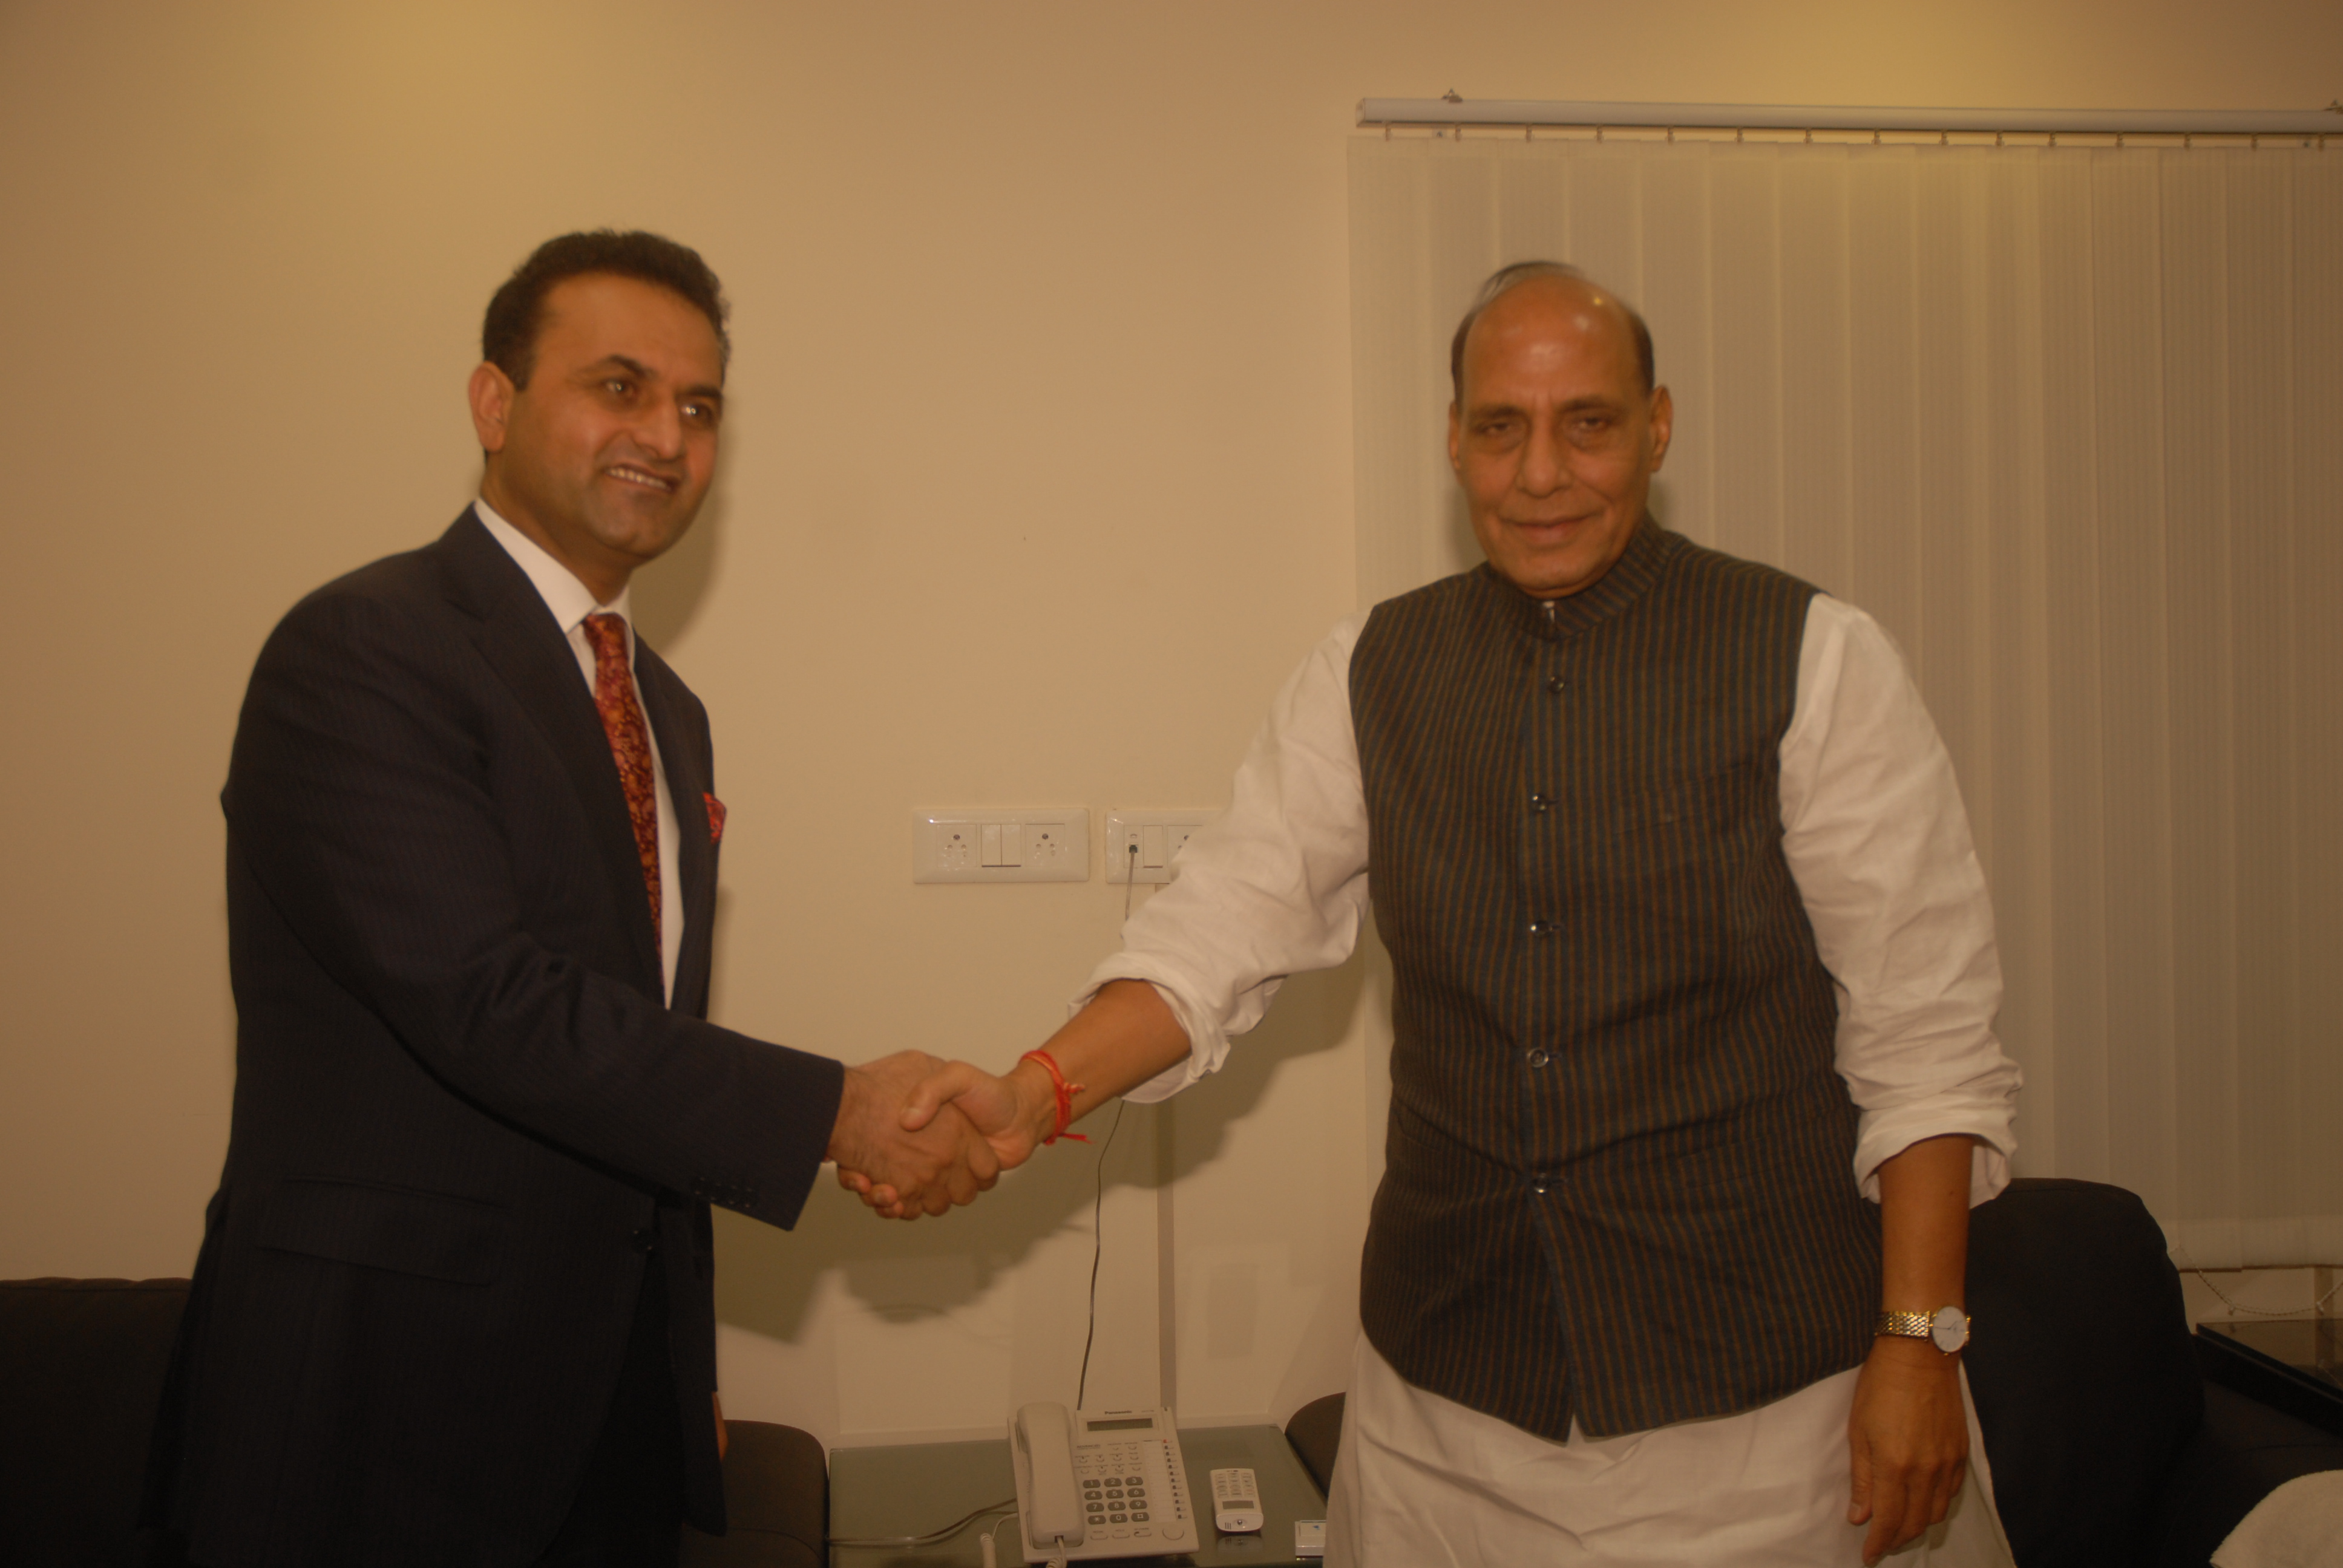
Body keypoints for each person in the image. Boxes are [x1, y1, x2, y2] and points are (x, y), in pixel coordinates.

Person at [867, 263, 2022, 1565]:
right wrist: (1034, 1093)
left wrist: (1918, 1344)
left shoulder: (1814, 657)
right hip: (1444, 1414)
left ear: (1656, 426)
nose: (1540, 472)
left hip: (1761, 1417)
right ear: (1453, 440)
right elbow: (1217, 933)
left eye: (1585, 422)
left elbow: (1924, 1039)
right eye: (1498, 427)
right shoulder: (1372, 667)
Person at [144, 230, 999, 1567]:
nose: (664, 433)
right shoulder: (364, 650)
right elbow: (487, 1003)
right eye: (619, 386)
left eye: (699, 406)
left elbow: (628, 1066)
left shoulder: (669, 711)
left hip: (601, 1421)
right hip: (376, 1403)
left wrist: (671, 1368)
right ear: (495, 404)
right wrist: (836, 1110)